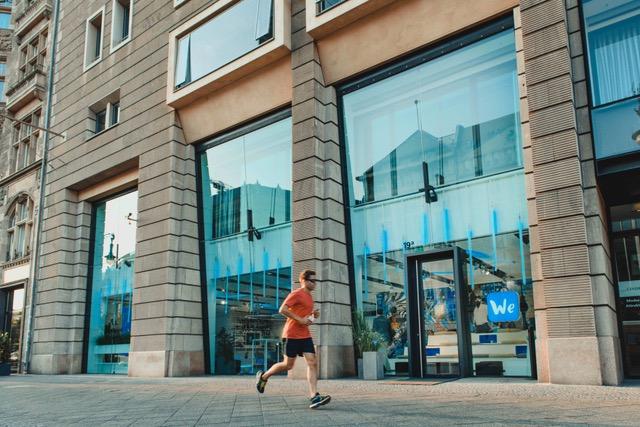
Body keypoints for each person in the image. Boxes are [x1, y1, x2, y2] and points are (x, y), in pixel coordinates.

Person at [255, 269, 331, 409]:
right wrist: (300, 320)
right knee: (288, 365)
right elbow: (282, 309)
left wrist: (313, 316)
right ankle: (264, 376)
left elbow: (305, 319)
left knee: (312, 362)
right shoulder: (297, 294)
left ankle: (314, 396)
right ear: (303, 280)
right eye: (312, 280)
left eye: (316, 281)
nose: (315, 283)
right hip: (291, 335)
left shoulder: (309, 297)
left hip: (305, 335)